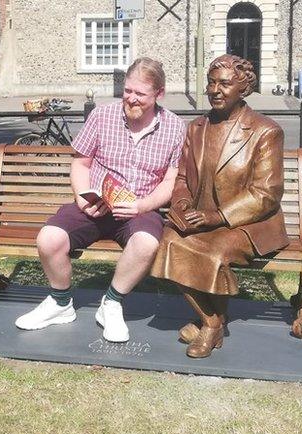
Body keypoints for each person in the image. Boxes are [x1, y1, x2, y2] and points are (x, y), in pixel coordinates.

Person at [14, 57, 186, 343]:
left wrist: (142, 205)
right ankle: (60, 303)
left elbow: (171, 181)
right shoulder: (102, 116)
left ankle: (112, 303)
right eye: (128, 91)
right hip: (95, 204)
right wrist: (83, 198)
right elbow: (81, 164)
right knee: (48, 238)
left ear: (159, 94)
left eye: (140, 94)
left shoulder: (176, 128)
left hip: (139, 207)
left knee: (147, 243)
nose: (131, 99)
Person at [150, 54, 289, 358]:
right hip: (201, 218)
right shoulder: (197, 127)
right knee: (166, 243)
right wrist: (183, 201)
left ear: (243, 88)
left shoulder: (266, 131)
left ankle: (210, 328)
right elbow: (183, 176)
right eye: (212, 83)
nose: (215, 90)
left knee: (212, 252)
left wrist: (218, 216)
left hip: (248, 224)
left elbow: (266, 193)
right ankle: (211, 320)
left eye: (225, 83)